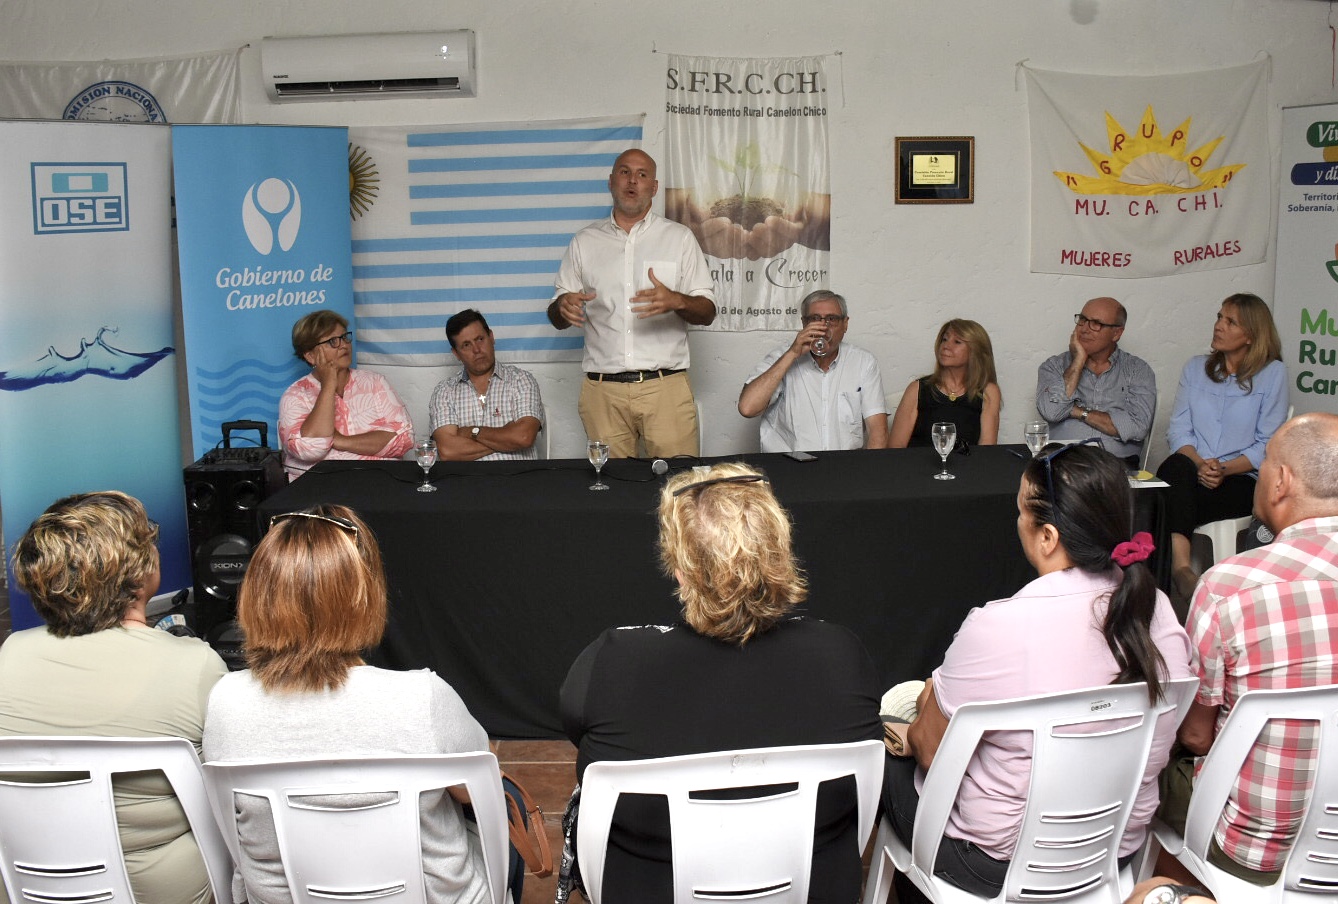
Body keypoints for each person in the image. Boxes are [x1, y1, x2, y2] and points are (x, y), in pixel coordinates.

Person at [883, 442, 1193, 903]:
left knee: (883, 749)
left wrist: (926, 704)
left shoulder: (999, 625)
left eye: (1019, 512)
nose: (1016, 524)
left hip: (992, 863)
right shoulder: (1159, 611)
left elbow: (929, 751)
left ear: (1047, 537)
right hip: (1116, 849)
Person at [560, 461, 883, 903]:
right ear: (780, 555)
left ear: (681, 569)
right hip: (813, 888)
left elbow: (579, 737)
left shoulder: (612, 662)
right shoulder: (842, 655)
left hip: (647, 887)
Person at [203, 505, 496, 904]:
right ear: (362, 595)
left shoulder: (226, 700)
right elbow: (475, 791)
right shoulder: (422, 697)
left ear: (257, 594)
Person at [0, 491, 228, 904]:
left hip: (31, 884)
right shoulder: (194, 666)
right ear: (139, 572)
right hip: (168, 891)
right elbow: (230, 801)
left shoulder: (9, 656)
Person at [1164, 413, 1338, 886]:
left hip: (1250, 848)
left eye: (1263, 465)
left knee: (1143, 771)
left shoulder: (1229, 587)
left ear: (1279, 481)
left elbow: (1198, 737)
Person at [548, 148, 716, 459]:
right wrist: (562, 307)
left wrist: (677, 300)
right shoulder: (584, 242)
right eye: (625, 172)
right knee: (611, 490)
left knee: (679, 487)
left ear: (654, 187)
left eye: (642, 174)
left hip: (664, 387)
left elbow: (708, 311)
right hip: (602, 393)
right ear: (611, 182)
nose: (632, 181)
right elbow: (556, 314)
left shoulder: (679, 238)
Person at [1155, 292, 1288, 598]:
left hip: (1239, 479)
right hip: (1190, 470)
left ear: (1251, 336)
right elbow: (1179, 431)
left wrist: (1223, 469)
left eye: (1230, 322)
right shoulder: (1195, 368)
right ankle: (1182, 570)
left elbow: (1268, 443)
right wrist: (1201, 464)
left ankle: (1170, 576)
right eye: (1219, 317)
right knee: (1174, 469)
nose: (1219, 326)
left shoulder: (1273, 374)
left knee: (1164, 501)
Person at [737, 290, 888, 453]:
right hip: (788, 467)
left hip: (844, 467)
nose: (823, 327)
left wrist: (869, 474)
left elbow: (878, 432)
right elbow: (747, 408)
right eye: (815, 319)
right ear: (804, 323)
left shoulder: (863, 362)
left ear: (845, 324)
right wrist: (792, 354)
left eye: (832, 319)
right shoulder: (780, 358)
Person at [277, 310, 414, 480]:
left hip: (380, 485)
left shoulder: (374, 382)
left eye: (344, 337)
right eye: (333, 341)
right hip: (319, 491)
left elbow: (404, 439)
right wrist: (328, 386)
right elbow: (309, 449)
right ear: (311, 356)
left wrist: (338, 440)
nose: (344, 345)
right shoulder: (295, 395)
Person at [1035, 297, 1156, 466]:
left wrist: (1078, 411)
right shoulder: (1054, 366)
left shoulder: (1138, 370)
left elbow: (1137, 427)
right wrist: (1078, 361)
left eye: (1096, 323)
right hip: (1065, 462)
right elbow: (1052, 411)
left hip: (1117, 465)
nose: (1085, 329)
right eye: (1082, 320)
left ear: (1117, 333)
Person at [429, 309, 544, 460]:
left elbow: (524, 437)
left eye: (480, 339)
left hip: (517, 479)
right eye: (466, 345)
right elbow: (448, 451)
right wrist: (507, 437)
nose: (477, 350)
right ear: (456, 353)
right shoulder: (445, 391)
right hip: (466, 482)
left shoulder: (520, 380)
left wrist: (472, 432)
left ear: (491, 337)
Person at [889, 318, 1000, 448]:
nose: (946, 346)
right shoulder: (917, 389)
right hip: (918, 466)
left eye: (957, 342)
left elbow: (986, 451)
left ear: (975, 352)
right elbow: (895, 450)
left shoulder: (988, 391)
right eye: (944, 339)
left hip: (967, 467)